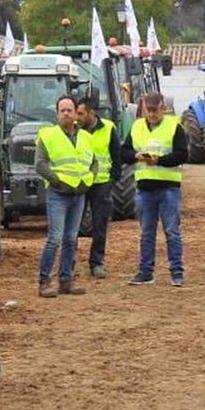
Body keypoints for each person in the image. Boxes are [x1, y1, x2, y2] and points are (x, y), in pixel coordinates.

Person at [118, 91, 188, 287]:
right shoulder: (137, 126)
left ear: (162, 109)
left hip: (168, 188)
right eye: (148, 111)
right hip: (145, 188)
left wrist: (160, 161)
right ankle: (145, 272)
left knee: (172, 232)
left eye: (154, 111)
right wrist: (136, 155)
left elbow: (183, 154)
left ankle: (177, 273)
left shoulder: (174, 126)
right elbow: (124, 152)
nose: (151, 115)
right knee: (146, 233)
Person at [34, 95, 96, 297]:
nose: (66, 114)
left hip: (78, 195)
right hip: (58, 194)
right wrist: (57, 181)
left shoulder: (86, 137)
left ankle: (65, 280)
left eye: (70, 110)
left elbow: (94, 162)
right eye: (63, 110)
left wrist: (90, 179)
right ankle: (44, 282)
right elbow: (40, 164)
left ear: (76, 113)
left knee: (71, 239)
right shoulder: (48, 136)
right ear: (57, 114)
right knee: (55, 239)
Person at [76, 95, 121, 279]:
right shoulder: (75, 130)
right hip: (79, 183)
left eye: (81, 113)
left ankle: (96, 263)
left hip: (102, 183)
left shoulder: (109, 128)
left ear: (91, 113)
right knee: (73, 225)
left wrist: (113, 179)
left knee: (99, 224)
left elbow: (116, 156)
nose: (77, 117)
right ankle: (69, 264)